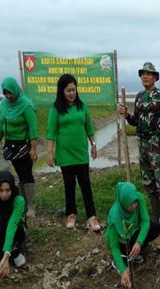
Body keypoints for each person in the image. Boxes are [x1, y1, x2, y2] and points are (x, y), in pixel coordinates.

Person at [118, 62, 160, 221]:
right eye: (143, 74)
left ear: (155, 77)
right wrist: (127, 114)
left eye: (149, 73)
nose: (145, 76)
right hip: (142, 144)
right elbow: (136, 121)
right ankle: (157, 218)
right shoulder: (138, 97)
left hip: (157, 144)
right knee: (148, 183)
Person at [46, 74, 100, 231]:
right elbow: (51, 131)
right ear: (62, 91)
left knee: (85, 184)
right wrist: (49, 152)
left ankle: (92, 216)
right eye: (68, 90)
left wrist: (94, 145)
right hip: (65, 154)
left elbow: (89, 128)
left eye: (74, 90)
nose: (71, 93)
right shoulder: (56, 108)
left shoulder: (82, 106)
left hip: (81, 153)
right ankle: (71, 214)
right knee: (69, 185)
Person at [0, 77, 38, 218]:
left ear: (15, 90)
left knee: (27, 174)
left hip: (24, 145)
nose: (8, 96)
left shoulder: (25, 105)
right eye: (5, 93)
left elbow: (32, 128)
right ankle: (23, 203)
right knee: (20, 174)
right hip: (11, 145)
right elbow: (1, 123)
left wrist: (33, 148)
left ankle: (31, 205)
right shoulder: (4, 104)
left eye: (10, 93)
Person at [105, 182, 160, 288]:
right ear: (123, 203)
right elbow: (114, 247)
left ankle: (134, 253)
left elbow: (145, 221)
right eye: (130, 204)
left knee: (155, 227)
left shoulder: (139, 198)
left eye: (135, 202)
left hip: (133, 234)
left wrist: (139, 242)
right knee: (124, 264)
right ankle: (120, 262)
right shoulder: (114, 217)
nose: (134, 206)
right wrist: (123, 271)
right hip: (121, 243)